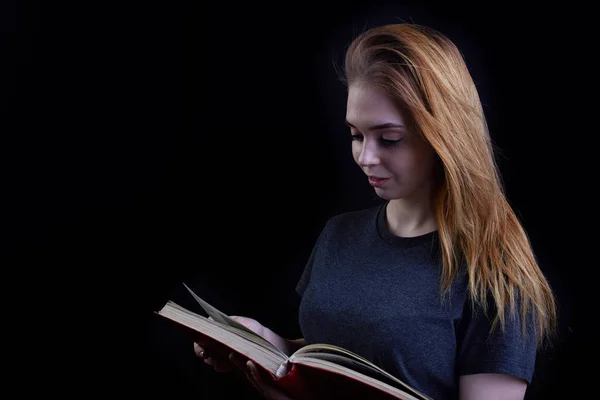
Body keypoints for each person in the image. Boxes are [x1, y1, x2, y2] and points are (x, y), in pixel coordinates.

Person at [193, 23, 557, 400]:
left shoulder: (493, 270)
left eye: (389, 139)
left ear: (445, 137)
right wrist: (264, 344)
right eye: (356, 135)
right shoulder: (339, 234)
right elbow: (335, 359)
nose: (366, 158)